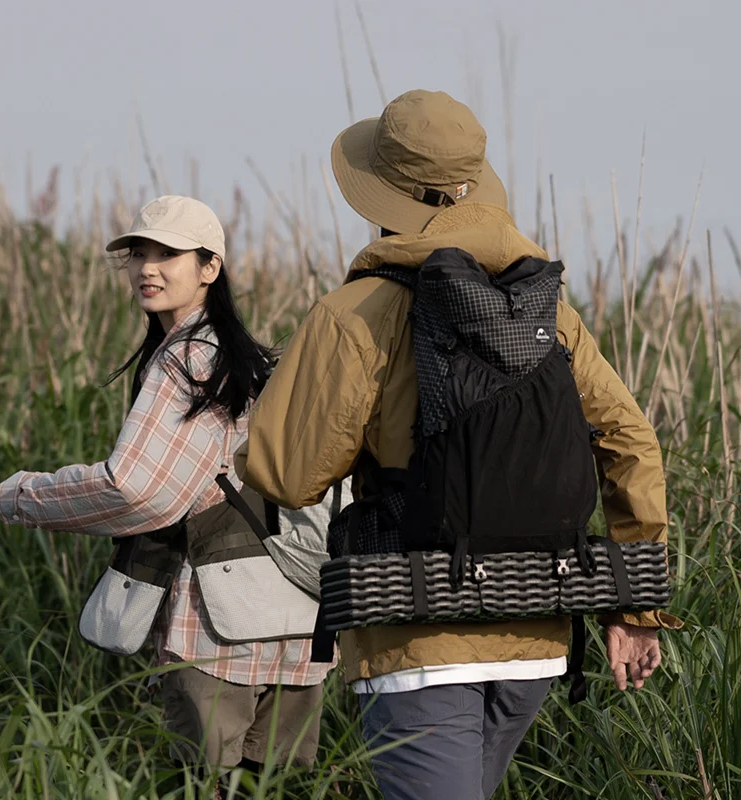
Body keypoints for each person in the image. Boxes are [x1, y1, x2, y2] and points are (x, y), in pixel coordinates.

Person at [234, 91, 681, 799]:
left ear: (386, 195)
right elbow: (631, 440)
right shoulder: (547, 311)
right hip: (537, 633)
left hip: (416, 631)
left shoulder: (356, 314)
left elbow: (287, 475)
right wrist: (634, 608)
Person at [0, 195, 338, 784]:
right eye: (138, 254)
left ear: (210, 268)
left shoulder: (187, 359)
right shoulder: (254, 362)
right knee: (274, 786)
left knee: (203, 786)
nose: (147, 268)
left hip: (216, 625)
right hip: (298, 620)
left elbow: (138, 491)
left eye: (168, 254)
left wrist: (21, 496)